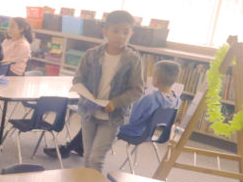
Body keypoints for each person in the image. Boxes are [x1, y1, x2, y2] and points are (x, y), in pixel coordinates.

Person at [47, 59, 179, 160]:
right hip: (147, 132)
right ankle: (81, 147)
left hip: (133, 130)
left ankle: (67, 150)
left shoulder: (150, 99)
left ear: (155, 80)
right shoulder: (176, 99)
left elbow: (131, 118)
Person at [69, 10, 145, 172]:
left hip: (112, 117)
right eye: (116, 31)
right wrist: (87, 94)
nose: (121, 36)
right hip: (89, 112)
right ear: (105, 32)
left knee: (96, 159)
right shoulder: (92, 55)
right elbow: (78, 79)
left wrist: (115, 103)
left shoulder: (132, 59)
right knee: (88, 155)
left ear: (132, 33)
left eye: (126, 32)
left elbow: (137, 90)